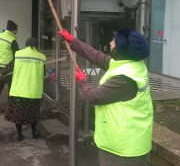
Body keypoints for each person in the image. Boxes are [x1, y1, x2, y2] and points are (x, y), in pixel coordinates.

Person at [58, 28, 153, 166]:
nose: (110, 42)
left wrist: (82, 81)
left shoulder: (125, 78)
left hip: (123, 148)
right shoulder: (131, 64)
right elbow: (97, 56)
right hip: (127, 141)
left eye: (114, 41)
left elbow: (94, 97)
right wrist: (72, 41)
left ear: (121, 49)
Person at [0, 37, 45, 141]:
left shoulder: (18, 54)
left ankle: (19, 135)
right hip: (34, 92)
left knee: (18, 114)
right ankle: (34, 133)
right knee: (33, 114)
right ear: (37, 45)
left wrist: (1, 73)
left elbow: (9, 67)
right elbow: (43, 73)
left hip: (19, 91)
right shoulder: (42, 57)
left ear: (26, 44)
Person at [0, 20, 19, 112]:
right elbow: (17, 54)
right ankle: (10, 109)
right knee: (11, 87)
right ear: (13, 30)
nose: (17, 32)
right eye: (16, 30)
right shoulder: (12, 40)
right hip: (8, 68)